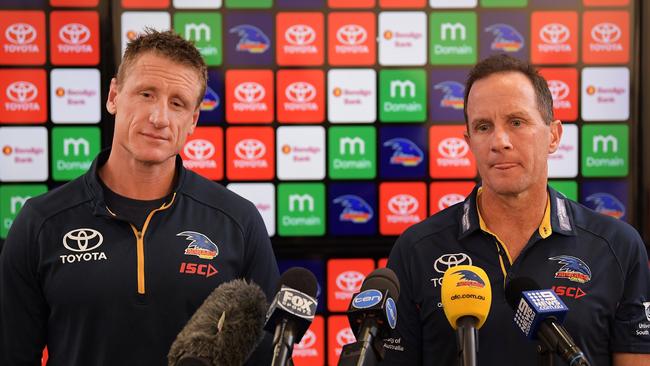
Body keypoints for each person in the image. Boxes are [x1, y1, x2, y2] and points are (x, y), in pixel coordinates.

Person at [0, 30, 279, 365]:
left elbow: (268, 355)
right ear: (114, 95)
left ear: (192, 121)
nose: (159, 118)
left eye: (177, 103)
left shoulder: (238, 220)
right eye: (146, 94)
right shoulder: (41, 222)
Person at [382, 54, 650, 365]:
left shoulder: (618, 246)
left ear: (553, 135)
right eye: (483, 127)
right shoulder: (417, 249)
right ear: (469, 141)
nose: (499, 141)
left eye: (517, 122)